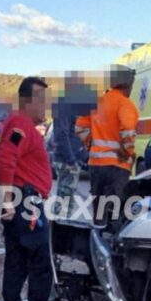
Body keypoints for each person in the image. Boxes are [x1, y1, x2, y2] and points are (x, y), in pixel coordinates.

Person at [0, 76, 55, 301]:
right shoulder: (19, 124)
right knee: (40, 264)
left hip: (21, 201)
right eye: (41, 100)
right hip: (25, 203)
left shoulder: (21, 125)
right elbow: (4, 160)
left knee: (16, 262)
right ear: (27, 100)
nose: (45, 106)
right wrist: (8, 201)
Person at [75, 65, 138, 227]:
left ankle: (96, 239)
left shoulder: (97, 102)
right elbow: (128, 131)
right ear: (127, 84)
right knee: (115, 212)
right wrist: (128, 152)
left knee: (99, 211)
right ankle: (110, 245)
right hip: (117, 166)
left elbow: (80, 128)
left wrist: (92, 144)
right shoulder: (125, 104)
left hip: (96, 165)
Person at [51, 72, 96, 216]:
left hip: (67, 158)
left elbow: (68, 134)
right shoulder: (63, 105)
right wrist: (71, 160)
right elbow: (62, 135)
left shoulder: (65, 104)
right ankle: (61, 232)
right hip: (66, 161)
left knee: (65, 202)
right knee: (64, 204)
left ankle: (62, 228)